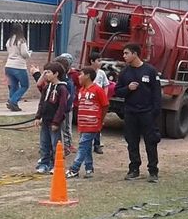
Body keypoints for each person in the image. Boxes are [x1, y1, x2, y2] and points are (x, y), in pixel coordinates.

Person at [115, 43, 162, 183]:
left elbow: (156, 94)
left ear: (135, 54)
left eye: (126, 53)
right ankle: (134, 169)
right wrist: (128, 88)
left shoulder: (150, 71)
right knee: (132, 142)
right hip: (130, 113)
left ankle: (153, 171)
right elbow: (118, 91)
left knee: (151, 142)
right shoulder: (124, 73)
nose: (124, 56)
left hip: (147, 113)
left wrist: (154, 112)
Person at [66, 67, 109, 179]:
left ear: (88, 76)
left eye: (81, 74)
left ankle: (74, 168)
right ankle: (89, 168)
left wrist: (101, 120)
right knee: (87, 147)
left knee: (82, 145)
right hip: (83, 124)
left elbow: (105, 105)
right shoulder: (81, 90)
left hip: (92, 124)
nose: (79, 77)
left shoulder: (97, 90)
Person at [34, 62, 69, 174]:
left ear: (56, 74)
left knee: (56, 145)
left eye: (48, 72)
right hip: (45, 120)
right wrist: (38, 116)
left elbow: (62, 106)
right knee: (44, 144)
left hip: (55, 123)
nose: (46, 75)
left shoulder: (62, 88)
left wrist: (56, 122)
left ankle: (57, 164)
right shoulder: (47, 87)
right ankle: (44, 164)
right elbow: (42, 103)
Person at [4, 23, 31, 112]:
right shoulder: (21, 40)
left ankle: (13, 104)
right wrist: (29, 54)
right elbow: (24, 53)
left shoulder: (9, 40)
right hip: (19, 66)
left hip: (8, 65)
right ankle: (13, 101)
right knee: (25, 85)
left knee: (13, 86)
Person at [89, 52, 110, 154]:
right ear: (92, 61)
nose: (100, 62)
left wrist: (104, 96)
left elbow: (106, 85)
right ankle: (87, 143)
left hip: (98, 102)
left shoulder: (101, 73)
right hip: (89, 101)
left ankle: (97, 144)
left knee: (97, 123)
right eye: (98, 60)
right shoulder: (87, 72)